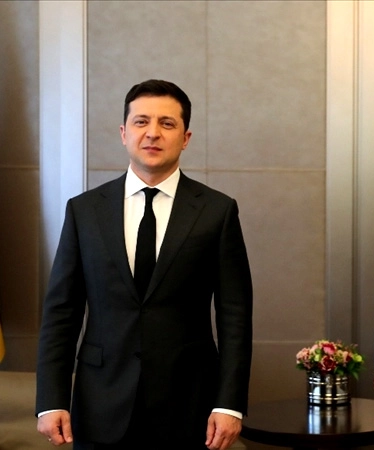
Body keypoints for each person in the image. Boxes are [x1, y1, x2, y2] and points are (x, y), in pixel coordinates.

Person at [35, 79, 253, 450]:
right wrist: (51, 400)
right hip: (100, 402)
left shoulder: (217, 211)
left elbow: (236, 315)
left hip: (189, 405)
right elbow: (61, 311)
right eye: (141, 122)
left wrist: (229, 404)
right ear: (124, 133)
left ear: (185, 137)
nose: (153, 133)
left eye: (167, 123)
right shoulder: (85, 211)